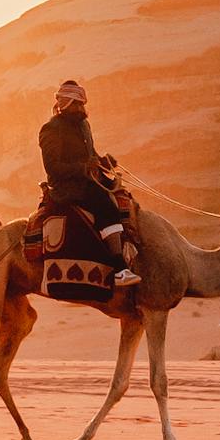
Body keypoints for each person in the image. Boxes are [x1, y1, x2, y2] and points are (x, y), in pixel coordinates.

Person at [37, 80, 139, 288]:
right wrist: (83, 167)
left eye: (82, 104)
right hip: (67, 188)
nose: (82, 109)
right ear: (65, 105)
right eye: (77, 105)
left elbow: (90, 155)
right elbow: (53, 168)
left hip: (88, 180)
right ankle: (119, 269)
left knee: (122, 197)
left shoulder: (83, 125)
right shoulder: (51, 129)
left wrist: (103, 162)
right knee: (105, 203)